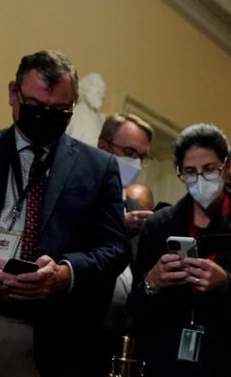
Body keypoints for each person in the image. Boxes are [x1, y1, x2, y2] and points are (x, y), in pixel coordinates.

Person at [0, 50, 128, 377]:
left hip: (50, 335)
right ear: (13, 93)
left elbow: (115, 248)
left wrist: (66, 273)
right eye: (36, 107)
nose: (45, 117)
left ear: (73, 106)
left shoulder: (99, 166)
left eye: (59, 111)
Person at [127, 123, 231, 377]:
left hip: (224, 362)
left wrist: (225, 285)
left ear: (225, 168)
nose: (200, 180)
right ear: (180, 173)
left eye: (208, 169)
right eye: (190, 172)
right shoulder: (159, 226)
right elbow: (135, 311)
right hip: (165, 361)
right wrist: (152, 282)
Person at [96, 113, 156, 368]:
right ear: (103, 147)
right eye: (130, 152)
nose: (137, 164)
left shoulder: (134, 208)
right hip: (76, 333)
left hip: (120, 337)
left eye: (143, 156)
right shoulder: (74, 194)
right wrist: (118, 228)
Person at [65, 71, 106, 145]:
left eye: (102, 89)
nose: (101, 93)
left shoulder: (97, 117)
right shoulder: (79, 114)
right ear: (86, 89)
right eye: (98, 88)